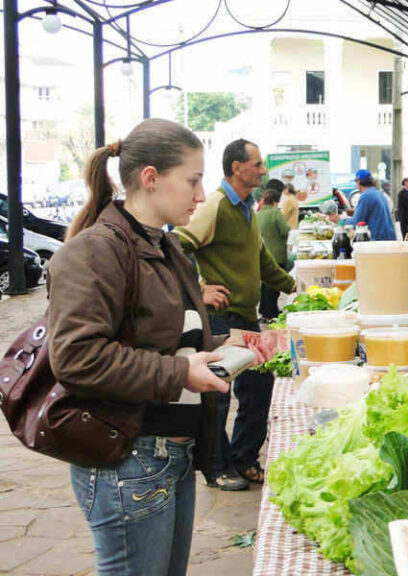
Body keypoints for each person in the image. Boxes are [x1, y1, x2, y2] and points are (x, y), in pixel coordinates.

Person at [48, 118, 230, 574]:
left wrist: (234, 344)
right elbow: (75, 357)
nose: (201, 195)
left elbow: (171, 340)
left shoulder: (167, 249)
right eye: (193, 180)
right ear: (151, 178)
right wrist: (180, 373)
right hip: (127, 459)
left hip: (171, 455)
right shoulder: (94, 252)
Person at [174, 139, 296, 490]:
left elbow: (263, 263)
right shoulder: (214, 205)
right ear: (237, 167)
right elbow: (176, 245)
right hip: (221, 320)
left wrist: (298, 290)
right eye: (257, 164)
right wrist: (199, 289)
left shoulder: (248, 209)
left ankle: (243, 459)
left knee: (259, 387)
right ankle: (216, 467)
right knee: (218, 395)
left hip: (244, 317)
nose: (263, 170)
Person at [257, 183, 293, 321]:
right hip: (276, 255)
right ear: (275, 201)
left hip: (262, 255)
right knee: (274, 288)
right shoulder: (275, 213)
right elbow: (285, 231)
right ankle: (272, 312)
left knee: (265, 286)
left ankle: (264, 311)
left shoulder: (258, 215)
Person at [341, 169, 396, 240]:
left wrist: (340, 221)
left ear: (358, 181)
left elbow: (356, 222)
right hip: (389, 238)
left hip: (377, 240)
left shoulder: (366, 196)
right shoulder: (379, 193)